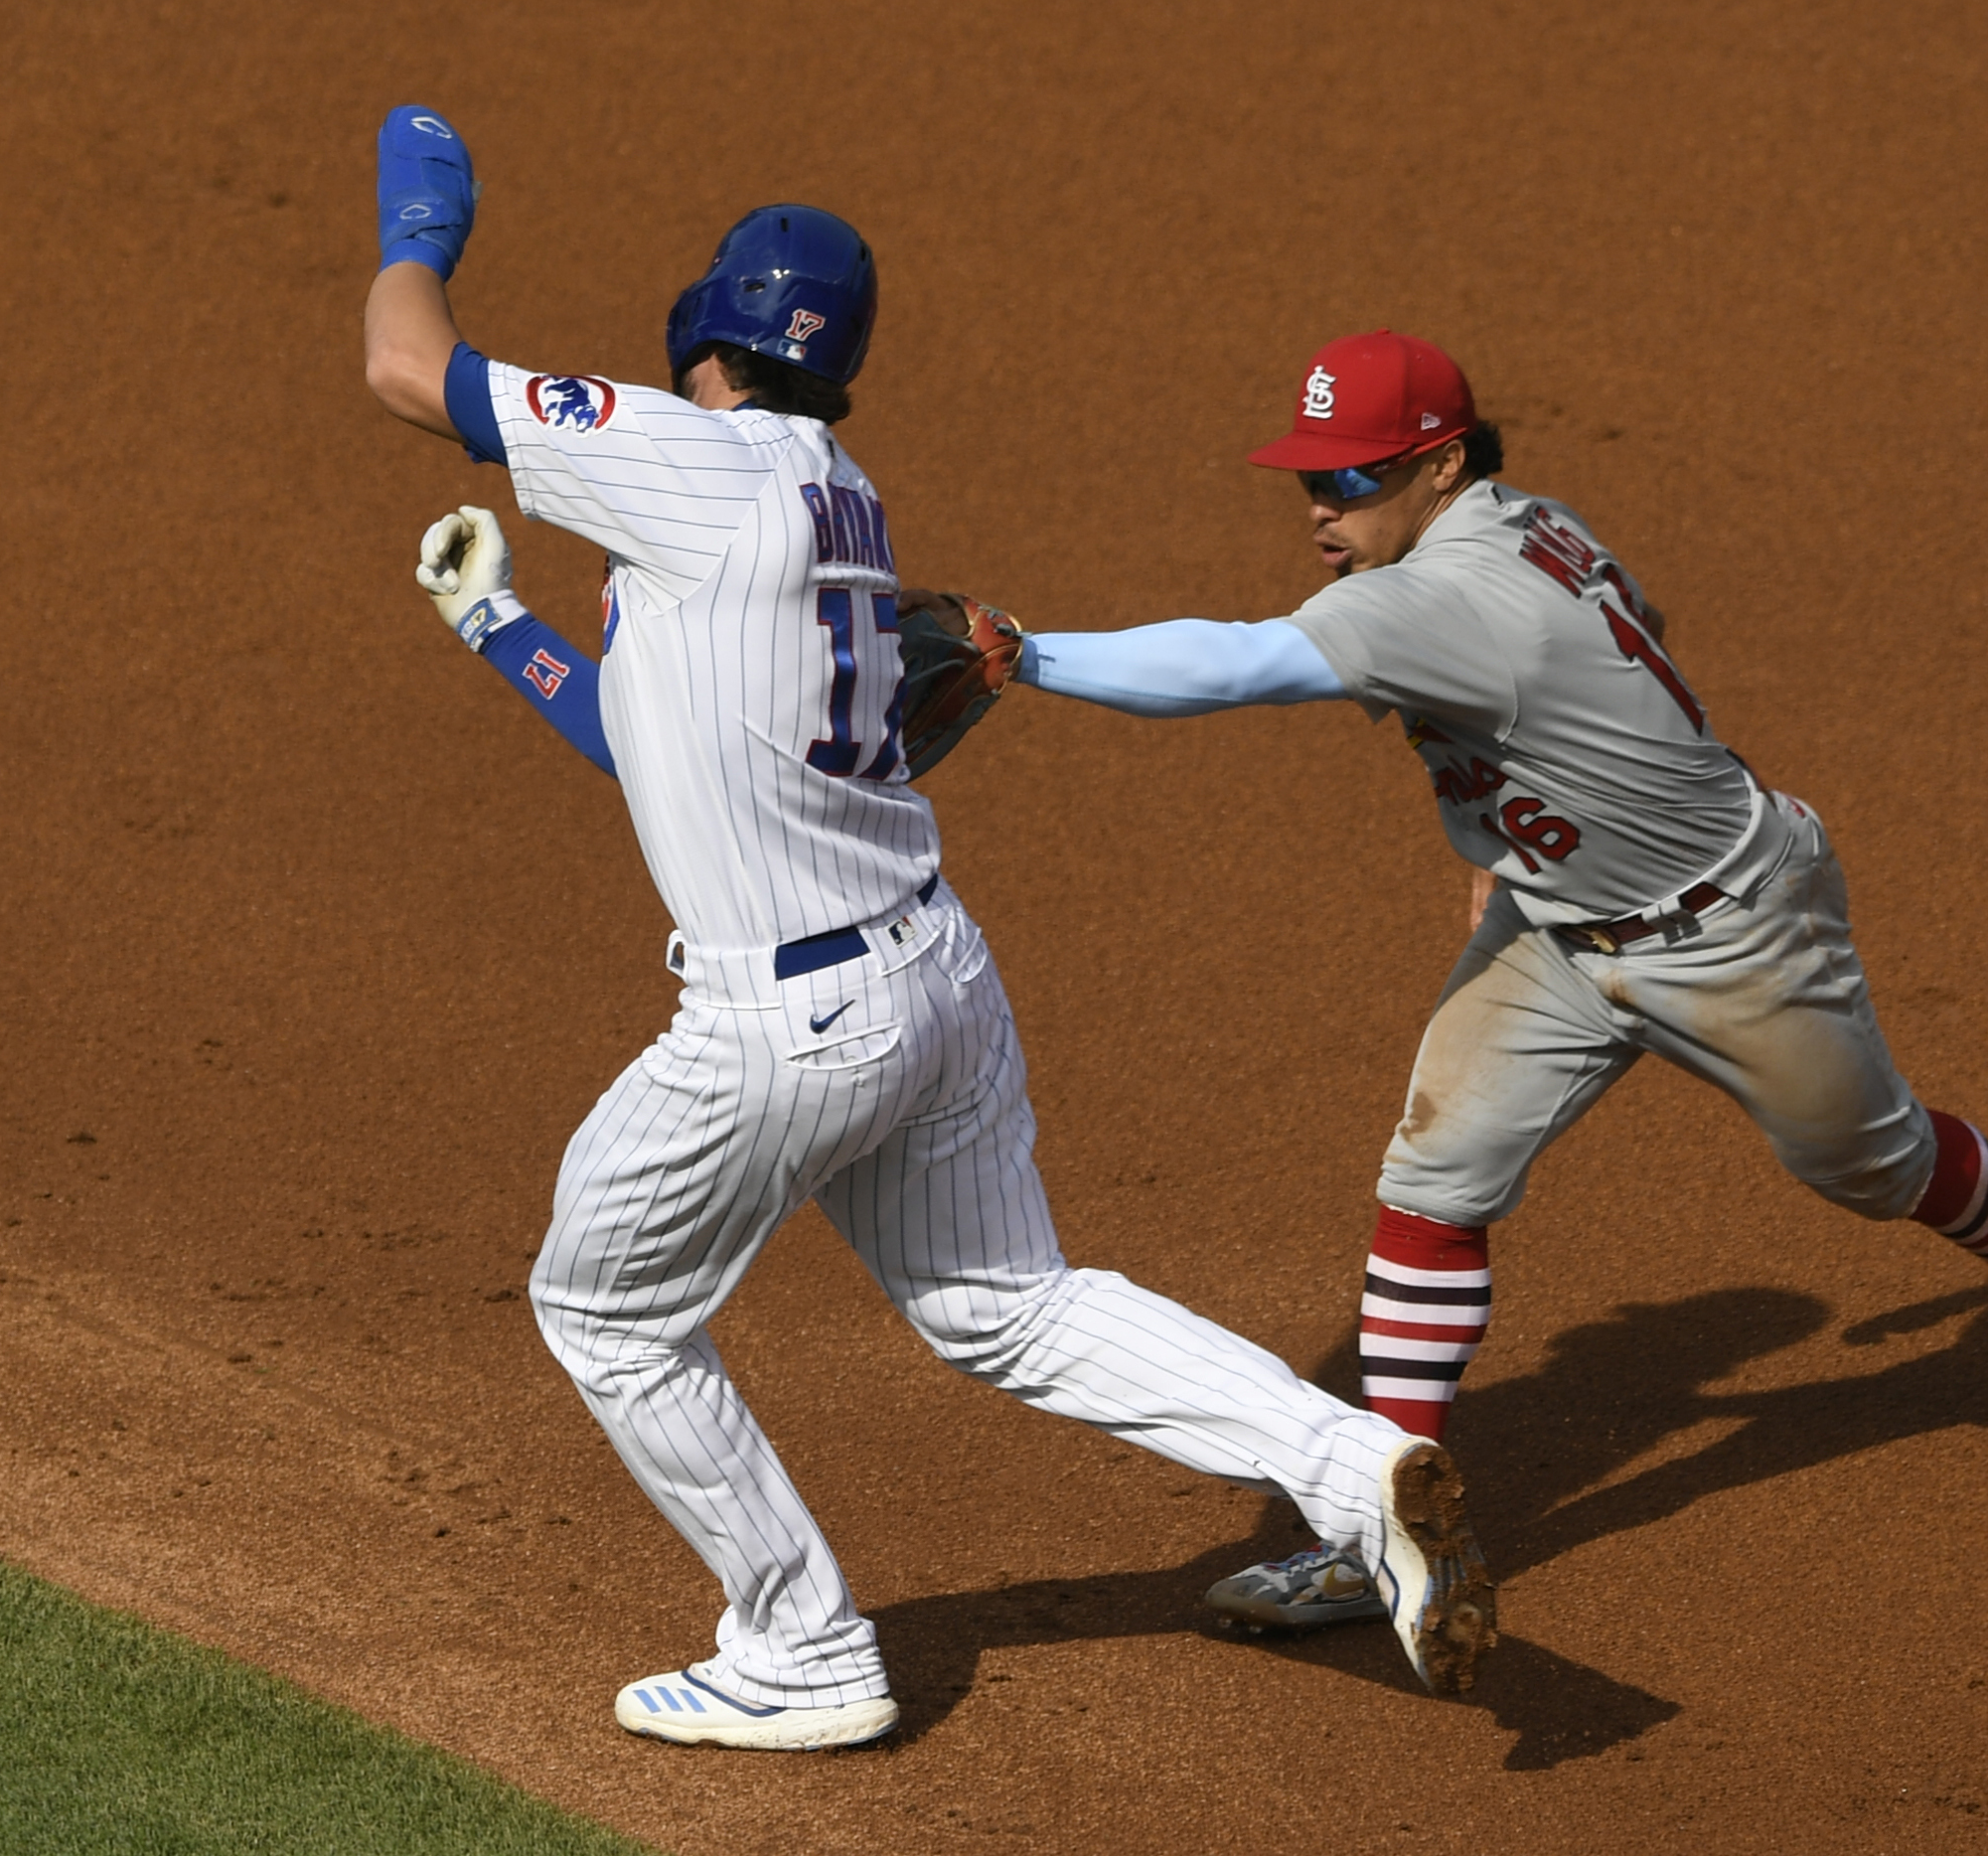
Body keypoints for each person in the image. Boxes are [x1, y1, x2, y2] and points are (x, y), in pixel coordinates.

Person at [356, 108, 1494, 1745]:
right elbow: (636, 737)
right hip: (934, 978)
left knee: (603, 1305)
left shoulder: (684, 455)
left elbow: (410, 368)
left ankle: (801, 1643)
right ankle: (1354, 1465)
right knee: (1006, 1304)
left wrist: (424, 223)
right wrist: (497, 623)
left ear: (704, 338)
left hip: (782, 1024)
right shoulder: (844, 505)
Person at [1007, 329, 1988, 1635]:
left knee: (1877, 1167)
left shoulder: (1438, 601)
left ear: (1439, 466)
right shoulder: (1528, 522)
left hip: (1733, 934)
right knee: (1431, 1182)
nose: (1321, 510)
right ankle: (1378, 1528)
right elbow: (1641, 632)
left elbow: (1234, 665)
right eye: (1309, 480)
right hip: (1554, 926)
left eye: (1353, 479)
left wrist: (1023, 654)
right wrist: (1535, 821)